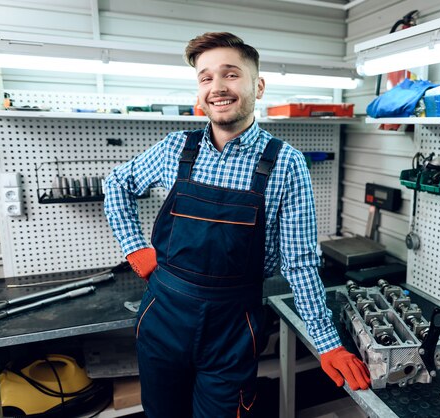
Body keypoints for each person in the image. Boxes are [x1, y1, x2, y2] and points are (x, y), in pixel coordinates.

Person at [104, 32, 370, 417]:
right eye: (206, 77)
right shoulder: (175, 149)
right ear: (199, 91)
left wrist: (327, 342)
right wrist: (134, 246)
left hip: (232, 328)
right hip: (163, 316)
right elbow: (117, 183)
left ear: (257, 86)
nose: (217, 87)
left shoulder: (286, 163)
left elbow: (299, 262)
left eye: (230, 74)